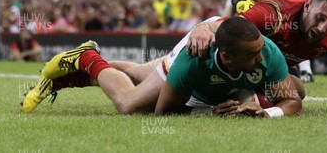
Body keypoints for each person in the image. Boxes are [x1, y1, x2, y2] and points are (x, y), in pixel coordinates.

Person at [22, 17, 302, 118]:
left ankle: (66, 80)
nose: (261, 59)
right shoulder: (194, 62)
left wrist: (268, 113)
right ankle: (87, 60)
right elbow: (163, 111)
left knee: (137, 73)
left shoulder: (265, 50)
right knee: (131, 104)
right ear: (227, 59)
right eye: (254, 56)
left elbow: (293, 100)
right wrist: (209, 112)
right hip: (189, 52)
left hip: (218, 32)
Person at [188, 0, 327, 108]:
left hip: (272, 68)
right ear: (307, 6)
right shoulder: (274, 14)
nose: (323, 28)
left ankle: (247, 93)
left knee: (297, 91)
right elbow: (228, 27)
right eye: (320, 18)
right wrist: (202, 28)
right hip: (238, 61)